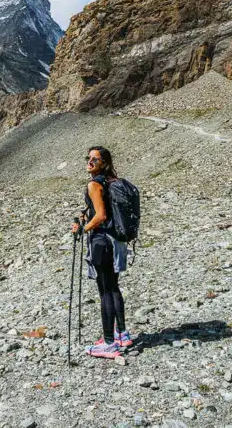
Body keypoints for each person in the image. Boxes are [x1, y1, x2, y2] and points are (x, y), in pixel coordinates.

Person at [71, 146, 132, 358]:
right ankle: (121, 333)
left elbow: (101, 216)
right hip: (114, 241)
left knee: (105, 290)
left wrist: (82, 229)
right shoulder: (111, 180)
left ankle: (108, 343)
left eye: (94, 160)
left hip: (101, 241)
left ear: (103, 163)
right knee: (113, 287)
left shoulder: (94, 184)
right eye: (88, 158)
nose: (89, 162)